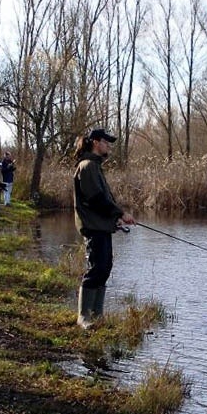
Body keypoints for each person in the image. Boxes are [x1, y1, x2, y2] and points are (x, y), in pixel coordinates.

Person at [72, 128, 135, 329]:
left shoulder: (95, 166)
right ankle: (83, 317)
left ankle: (97, 315)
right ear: (96, 142)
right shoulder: (88, 165)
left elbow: (103, 199)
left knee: (104, 268)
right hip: (93, 226)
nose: (109, 146)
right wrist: (120, 214)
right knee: (97, 268)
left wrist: (114, 219)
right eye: (107, 142)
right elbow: (96, 199)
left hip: (101, 226)